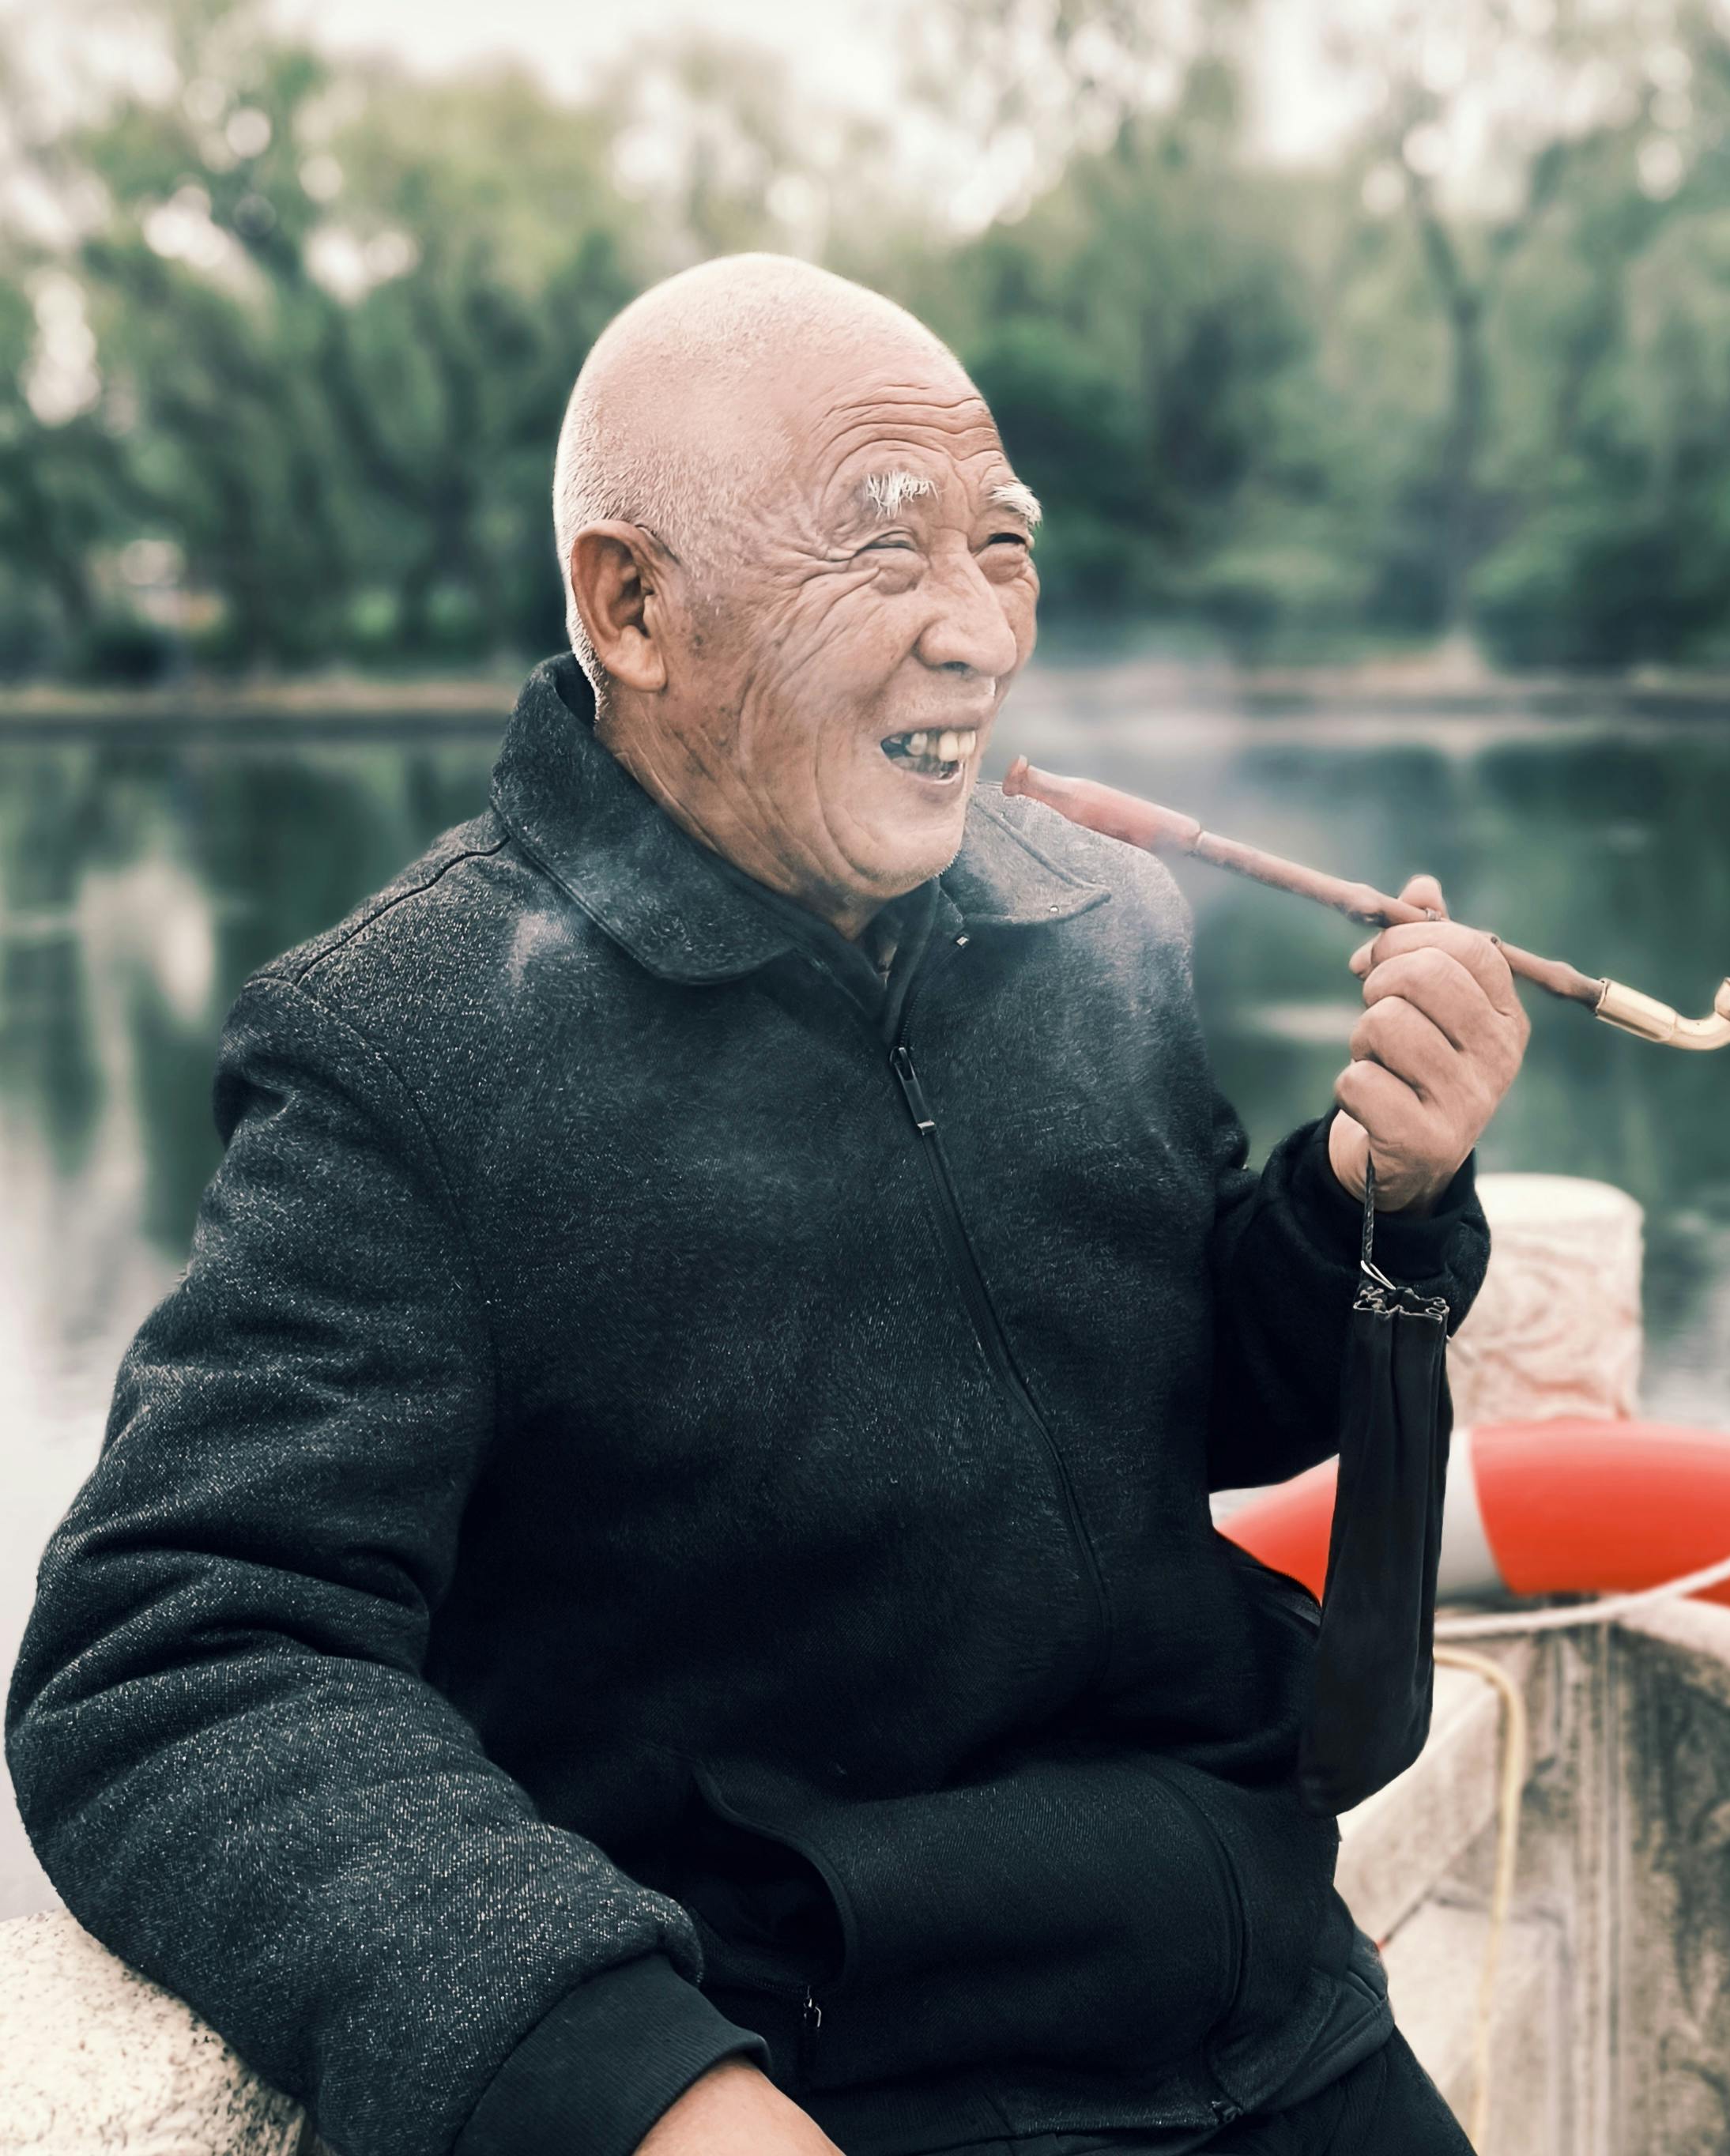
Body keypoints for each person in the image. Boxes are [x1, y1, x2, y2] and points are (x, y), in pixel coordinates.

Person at [6, 254, 1526, 2156]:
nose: (976, 633)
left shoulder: (1087, 910)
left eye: (1003, 546)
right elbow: (179, 1652)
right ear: (631, 606)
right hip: (831, 2070)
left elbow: (1165, 1389)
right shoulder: (405, 1046)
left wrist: (1361, 1199)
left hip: (1259, 2000)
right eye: (888, 556)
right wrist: (617, 2070)